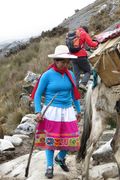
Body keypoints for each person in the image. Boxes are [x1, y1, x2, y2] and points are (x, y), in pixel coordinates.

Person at [31, 45, 81, 179]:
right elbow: (37, 94)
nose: (65, 64)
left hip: (68, 111)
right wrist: (38, 111)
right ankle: (49, 166)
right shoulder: (47, 75)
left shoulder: (70, 75)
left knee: (71, 139)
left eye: (67, 61)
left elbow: (74, 94)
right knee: (51, 139)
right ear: (55, 61)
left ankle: (60, 158)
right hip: (52, 111)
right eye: (62, 61)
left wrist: (79, 110)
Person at [70, 26, 98, 91]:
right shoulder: (84, 33)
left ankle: (75, 92)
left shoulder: (74, 34)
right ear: (86, 30)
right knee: (88, 71)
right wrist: (97, 43)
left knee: (76, 75)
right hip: (81, 56)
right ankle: (83, 83)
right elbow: (91, 43)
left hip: (73, 57)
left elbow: (83, 46)